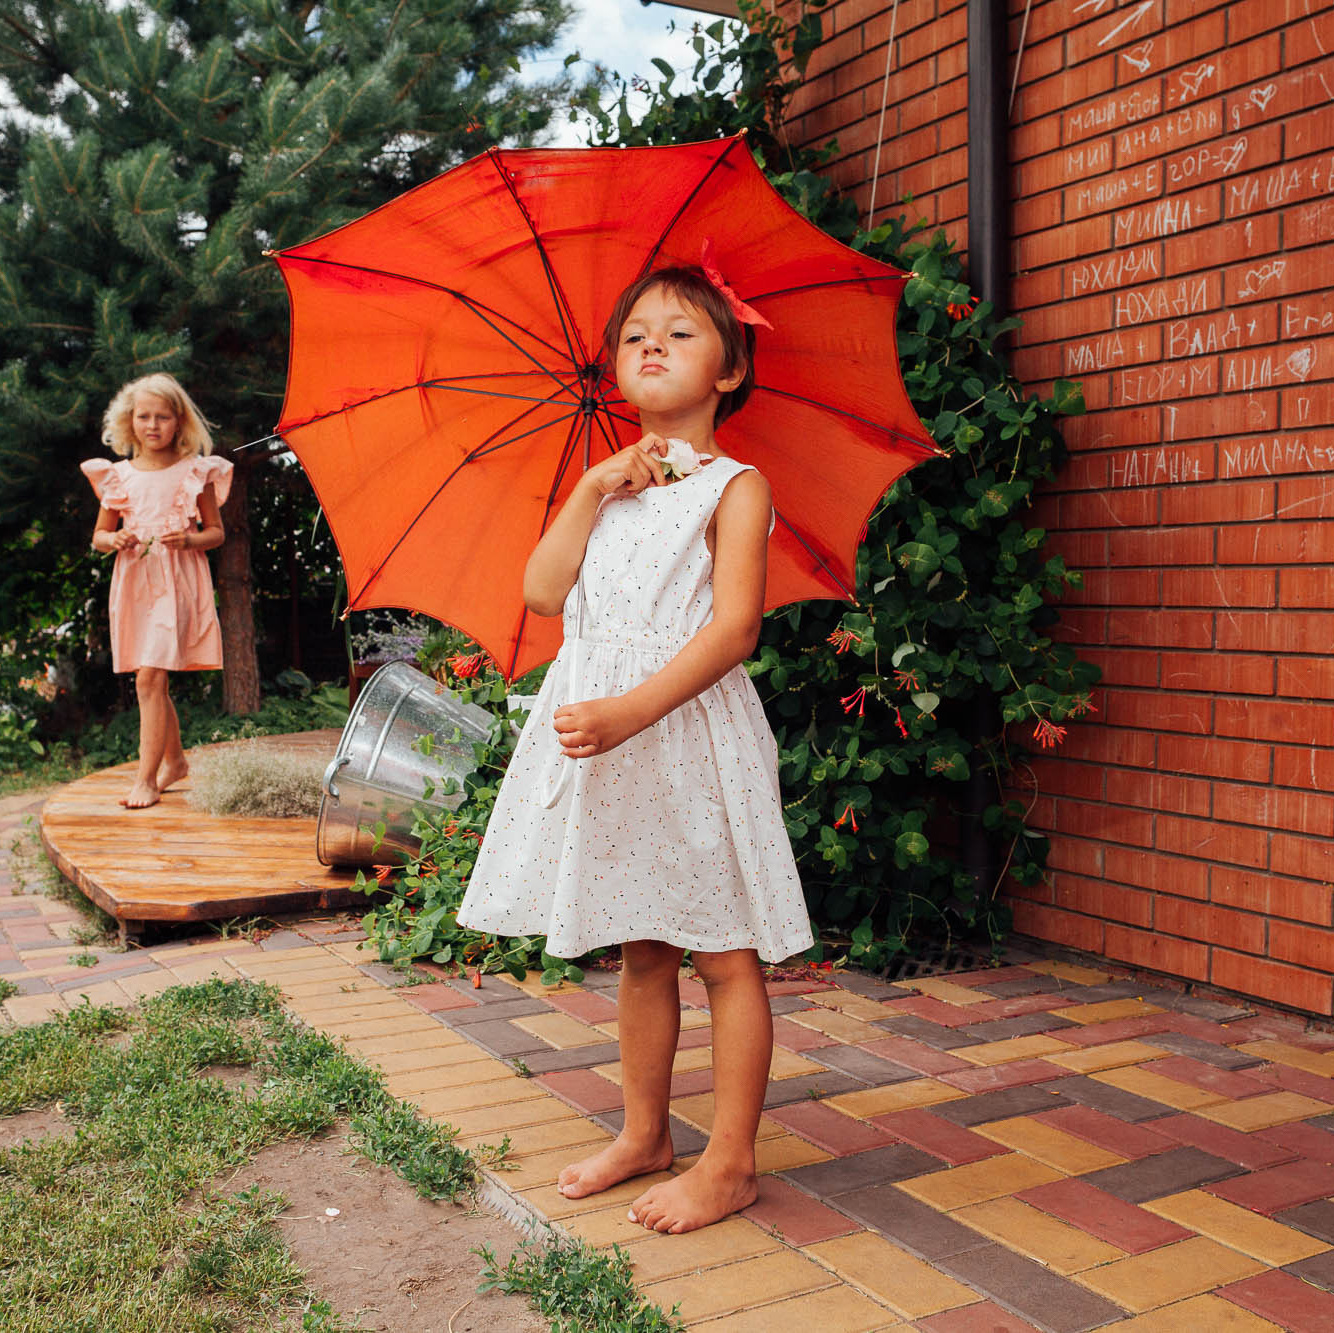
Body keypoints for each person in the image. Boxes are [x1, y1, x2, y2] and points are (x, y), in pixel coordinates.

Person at [457, 263, 813, 1234]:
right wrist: (588, 489)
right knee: (643, 945)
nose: (650, 344)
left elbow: (733, 629)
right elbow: (539, 592)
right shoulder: (608, 486)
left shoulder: (734, 487)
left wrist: (627, 711)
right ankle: (644, 1131)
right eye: (633, 335)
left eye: (681, 333)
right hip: (610, 739)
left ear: (728, 372)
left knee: (723, 951)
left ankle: (730, 1160)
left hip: (684, 730)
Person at [81, 373, 233, 809]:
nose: (153, 425)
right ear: (130, 422)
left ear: (178, 421)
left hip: (177, 580)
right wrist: (116, 541)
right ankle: (177, 763)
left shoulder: (195, 472)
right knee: (150, 680)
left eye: (163, 417)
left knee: (150, 676)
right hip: (135, 580)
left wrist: (190, 540)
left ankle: (145, 779)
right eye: (144, 416)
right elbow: (99, 536)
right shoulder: (117, 477)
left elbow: (216, 533)